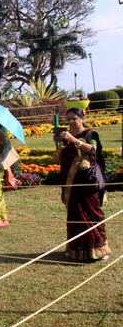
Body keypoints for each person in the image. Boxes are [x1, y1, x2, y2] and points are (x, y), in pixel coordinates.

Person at [56, 108, 110, 262]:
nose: (71, 122)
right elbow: (62, 159)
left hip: (87, 182)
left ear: (82, 118)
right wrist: (60, 148)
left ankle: (98, 249)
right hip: (71, 183)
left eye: (74, 118)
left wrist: (74, 140)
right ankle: (77, 251)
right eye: (68, 120)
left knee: (92, 213)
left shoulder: (90, 134)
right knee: (75, 214)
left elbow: (93, 149)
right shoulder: (67, 136)